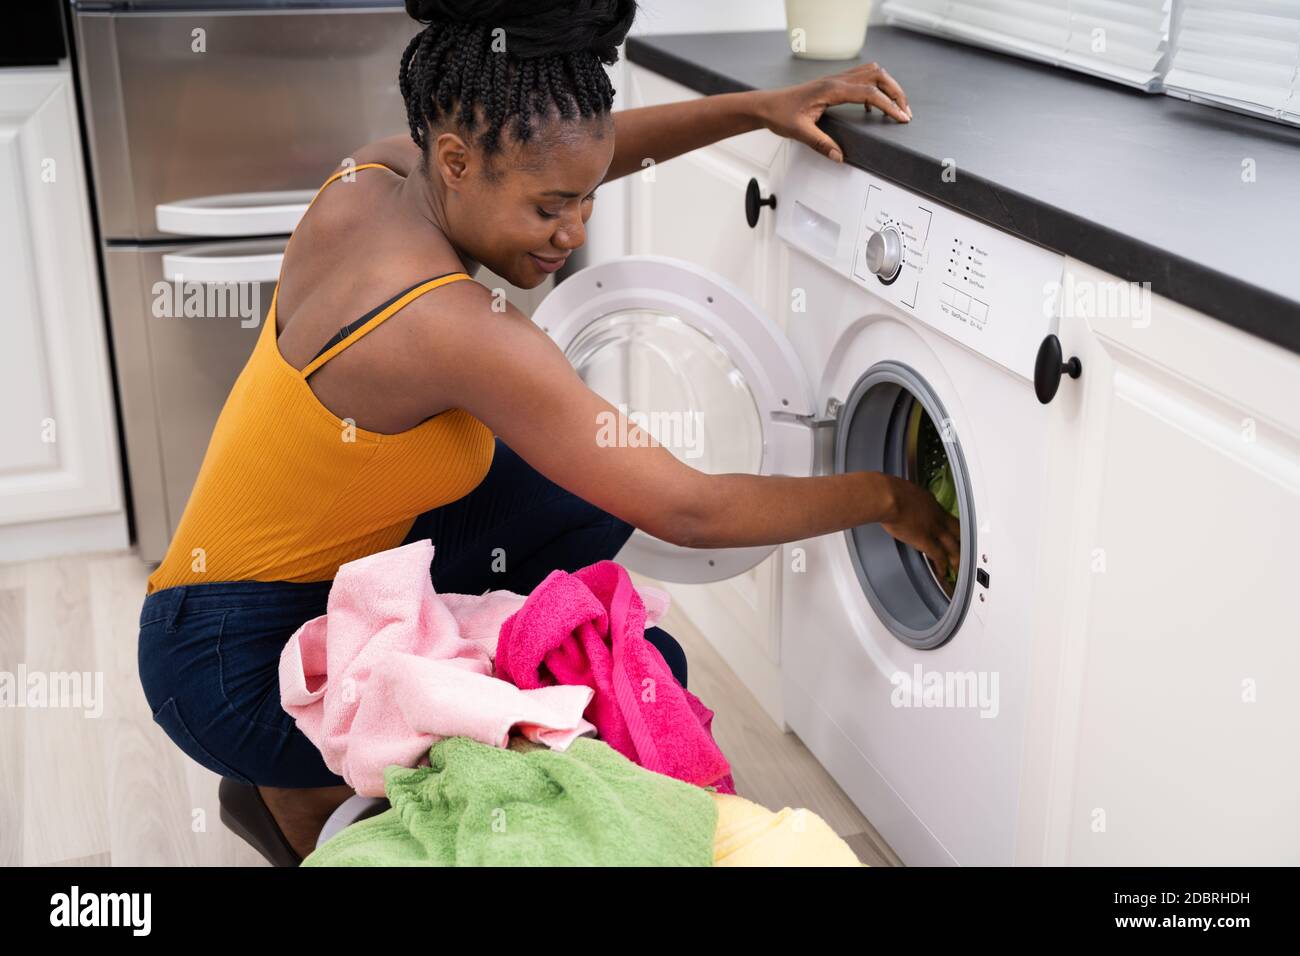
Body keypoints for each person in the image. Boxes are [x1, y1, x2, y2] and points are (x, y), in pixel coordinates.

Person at [137, 0, 955, 865]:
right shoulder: (453, 327)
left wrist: (752, 107)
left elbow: (564, 147)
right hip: (225, 669)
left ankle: (306, 772)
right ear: (455, 161)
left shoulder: (373, 177)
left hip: (214, 603)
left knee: (568, 495)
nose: (575, 231)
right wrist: (886, 495)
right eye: (551, 209)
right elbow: (693, 512)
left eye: (588, 198)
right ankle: (296, 783)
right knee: (623, 681)